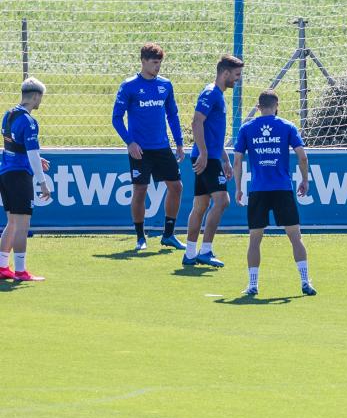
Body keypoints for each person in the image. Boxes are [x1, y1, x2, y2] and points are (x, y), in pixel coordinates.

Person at [233, 90, 316, 296]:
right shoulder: (287, 126)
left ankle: (253, 285)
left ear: (258, 107)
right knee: (295, 237)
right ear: (277, 105)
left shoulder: (247, 128)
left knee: (255, 239)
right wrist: (305, 180)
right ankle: (305, 281)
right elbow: (302, 157)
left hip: (259, 190)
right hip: (282, 188)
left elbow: (237, 160)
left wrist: (238, 188)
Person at [112, 42, 185, 251]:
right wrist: (130, 142)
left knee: (176, 187)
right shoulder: (129, 86)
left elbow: (172, 115)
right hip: (140, 149)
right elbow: (116, 118)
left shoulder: (165, 85)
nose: (157, 67)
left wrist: (179, 143)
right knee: (140, 190)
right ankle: (140, 237)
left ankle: (168, 234)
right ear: (143, 61)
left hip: (162, 147)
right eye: (154, 63)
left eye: (160, 63)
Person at [182, 54, 244, 267]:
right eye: (236, 75)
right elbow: (197, 122)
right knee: (222, 201)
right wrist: (205, 153)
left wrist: (224, 158)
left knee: (200, 204)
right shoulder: (211, 94)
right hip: (206, 157)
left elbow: (213, 132)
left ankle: (190, 254)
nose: (238, 79)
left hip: (211, 155)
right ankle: (205, 250)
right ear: (225, 73)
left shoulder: (217, 94)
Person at [0, 77, 51, 281]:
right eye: (41, 98)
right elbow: (31, 154)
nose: (41, 102)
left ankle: (3, 267)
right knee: (22, 224)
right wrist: (43, 184)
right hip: (19, 176)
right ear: (36, 96)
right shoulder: (29, 122)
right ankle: (20, 272)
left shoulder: (8, 114)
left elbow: (14, 146)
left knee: (12, 223)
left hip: (5, 172)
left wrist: (37, 158)